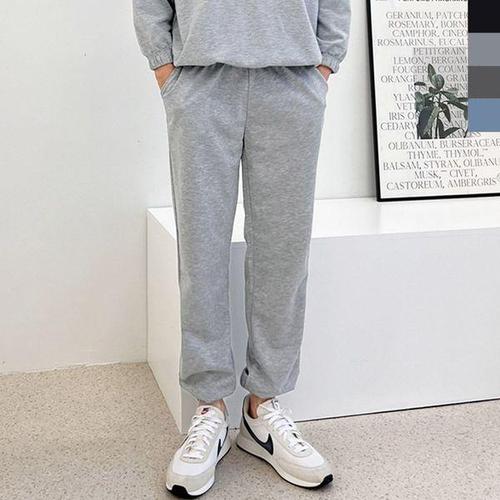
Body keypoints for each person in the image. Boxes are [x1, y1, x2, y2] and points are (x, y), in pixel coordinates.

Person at [133, 0, 351, 496]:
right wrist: (164, 68)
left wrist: (325, 63)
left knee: (283, 252)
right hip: (200, 81)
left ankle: (262, 406)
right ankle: (210, 406)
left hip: (293, 81)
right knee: (201, 250)